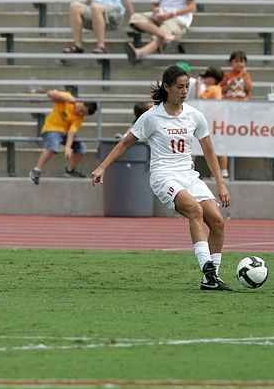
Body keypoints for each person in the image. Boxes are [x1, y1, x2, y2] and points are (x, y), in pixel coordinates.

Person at [91, 64, 233, 292]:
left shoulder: (194, 116)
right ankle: (206, 266)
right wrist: (102, 167)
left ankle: (210, 279)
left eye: (187, 86)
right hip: (163, 176)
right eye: (179, 86)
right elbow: (126, 142)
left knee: (217, 222)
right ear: (167, 87)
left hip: (189, 175)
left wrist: (221, 184)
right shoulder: (152, 117)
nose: (184, 91)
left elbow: (209, 151)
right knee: (195, 211)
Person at [29, 89, 97, 184]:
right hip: (52, 128)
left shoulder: (79, 117)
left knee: (81, 148)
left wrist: (68, 147)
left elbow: (72, 131)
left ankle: (71, 170)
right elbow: (50, 93)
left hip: (64, 133)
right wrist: (68, 99)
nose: (80, 114)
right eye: (81, 110)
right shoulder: (67, 97)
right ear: (80, 103)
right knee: (53, 145)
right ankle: (36, 170)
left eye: (83, 114)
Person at [219, 50, 252, 178]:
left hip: (241, 109)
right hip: (228, 108)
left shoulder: (246, 75)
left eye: (242, 61)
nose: (239, 64)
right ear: (231, 62)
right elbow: (220, 89)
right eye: (237, 61)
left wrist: (243, 76)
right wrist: (229, 85)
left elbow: (248, 88)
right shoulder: (227, 75)